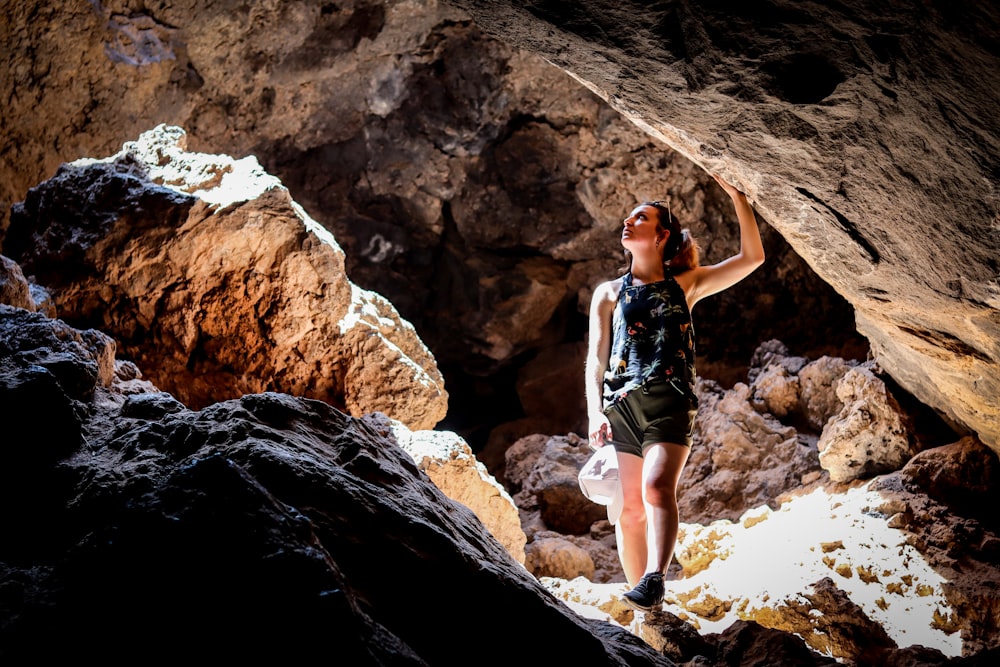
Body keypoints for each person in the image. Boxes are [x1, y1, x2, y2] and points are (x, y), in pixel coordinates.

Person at [584, 173, 765, 611]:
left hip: (670, 399)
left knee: (656, 489)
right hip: (622, 406)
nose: (628, 222)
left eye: (640, 218)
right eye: (628, 217)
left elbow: (752, 257)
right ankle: (645, 605)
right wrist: (595, 413)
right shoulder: (608, 293)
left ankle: (654, 577)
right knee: (629, 511)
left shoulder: (687, 284)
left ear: (661, 235)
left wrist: (738, 197)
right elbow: (595, 358)